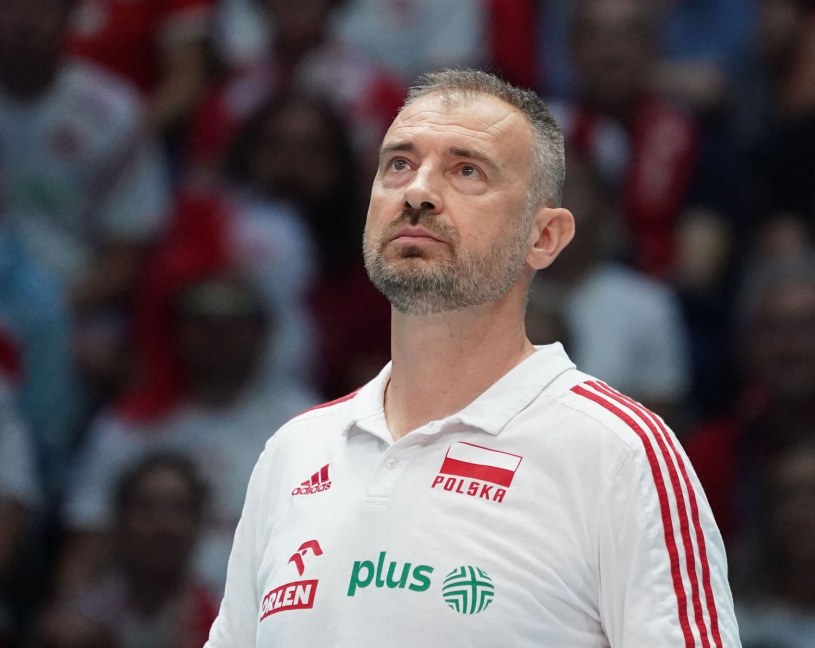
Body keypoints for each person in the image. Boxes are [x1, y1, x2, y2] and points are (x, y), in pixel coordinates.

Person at [205, 68, 739, 646]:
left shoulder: (618, 452)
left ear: (544, 237)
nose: (417, 191)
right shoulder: (294, 451)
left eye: (467, 171)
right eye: (399, 164)